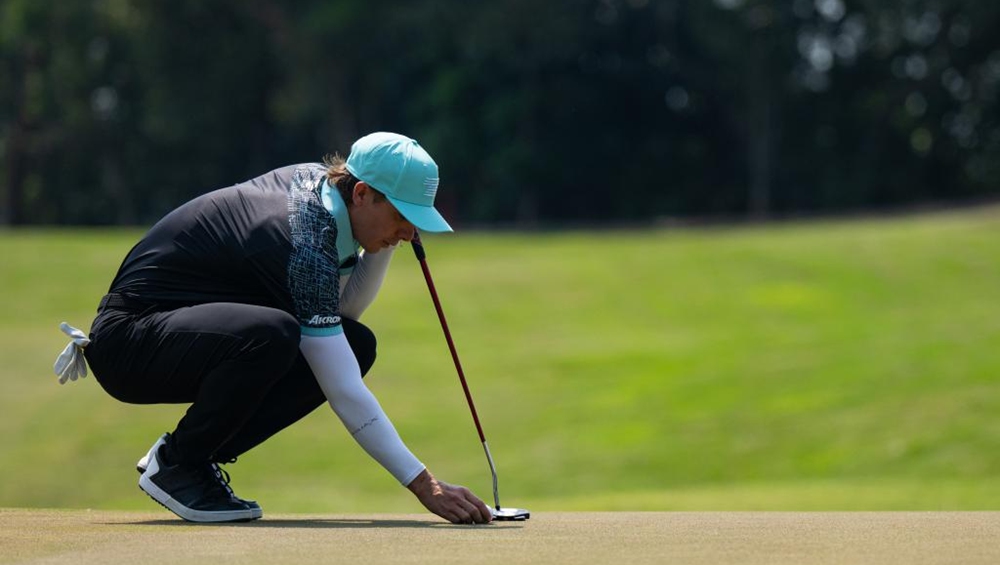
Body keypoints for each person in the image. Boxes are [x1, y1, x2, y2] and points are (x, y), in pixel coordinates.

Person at [53, 132, 494, 524]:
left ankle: (191, 456)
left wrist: (387, 242)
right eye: (402, 216)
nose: (410, 233)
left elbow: (344, 311)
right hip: (129, 342)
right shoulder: (306, 237)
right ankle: (180, 464)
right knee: (275, 335)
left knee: (355, 344)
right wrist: (424, 484)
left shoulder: (325, 194)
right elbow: (341, 386)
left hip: (171, 329)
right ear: (362, 194)